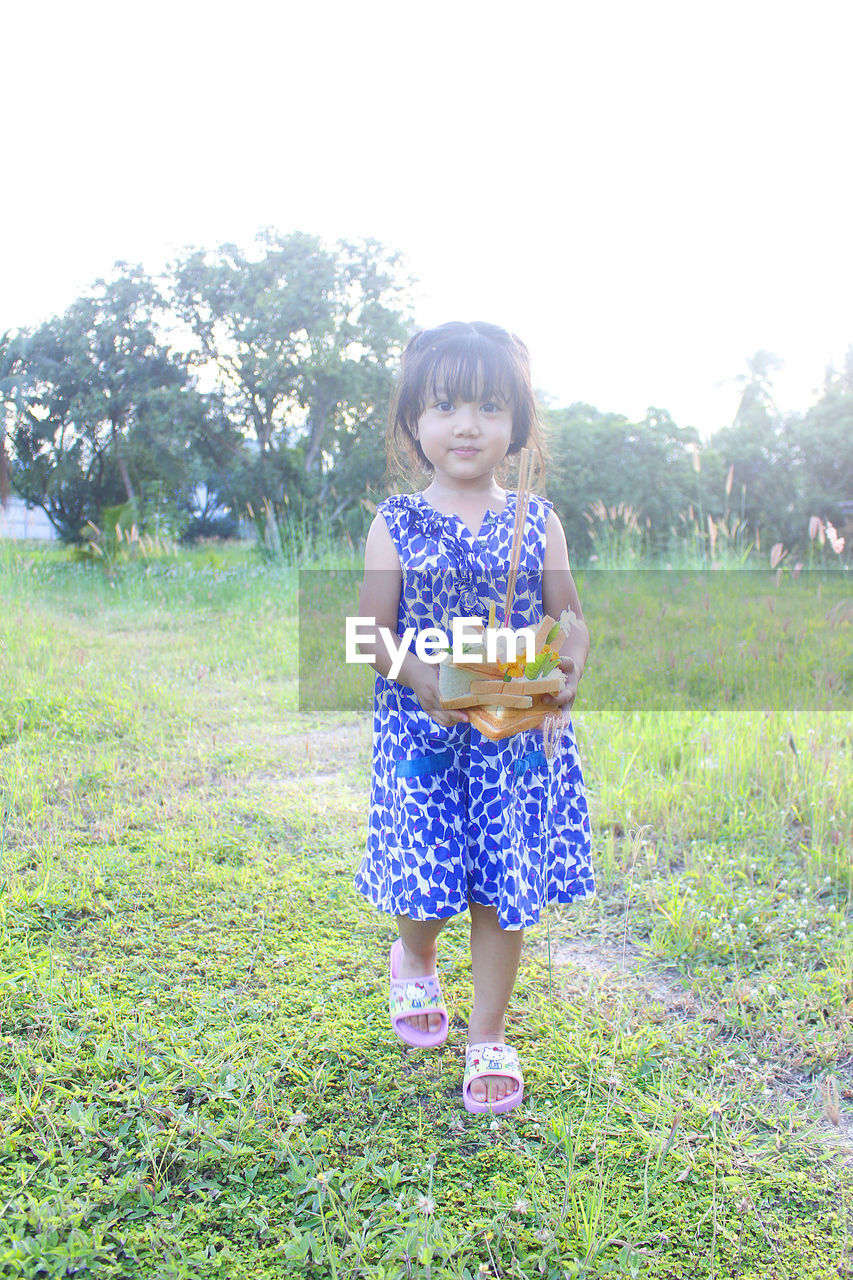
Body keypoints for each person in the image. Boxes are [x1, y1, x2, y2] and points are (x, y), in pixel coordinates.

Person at [353, 321, 595, 1114]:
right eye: (447, 405)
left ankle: (488, 1033)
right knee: (426, 885)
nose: (467, 425)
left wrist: (568, 666)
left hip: (510, 739)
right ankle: (413, 956)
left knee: (501, 882)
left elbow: (570, 618)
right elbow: (365, 632)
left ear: (516, 424)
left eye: (490, 407)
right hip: (425, 729)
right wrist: (418, 676)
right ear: (413, 422)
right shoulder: (395, 522)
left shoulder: (538, 519)